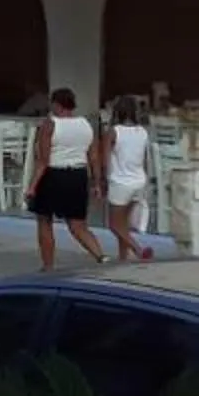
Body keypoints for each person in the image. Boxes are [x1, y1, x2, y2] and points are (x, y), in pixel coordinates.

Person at [26, 87, 108, 271]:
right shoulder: (85, 124)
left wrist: (32, 186)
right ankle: (101, 256)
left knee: (45, 221)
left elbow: (43, 160)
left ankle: (48, 265)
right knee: (78, 225)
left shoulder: (50, 124)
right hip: (78, 176)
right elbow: (94, 156)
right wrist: (96, 182)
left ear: (56, 104)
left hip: (54, 175)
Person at [102, 94, 159, 263]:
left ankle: (138, 251)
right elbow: (144, 159)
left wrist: (103, 181)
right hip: (138, 181)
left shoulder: (113, 132)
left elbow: (106, 161)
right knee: (123, 225)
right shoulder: (142, 132)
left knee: (114, 225)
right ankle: (123, 259)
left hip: (120, 182)